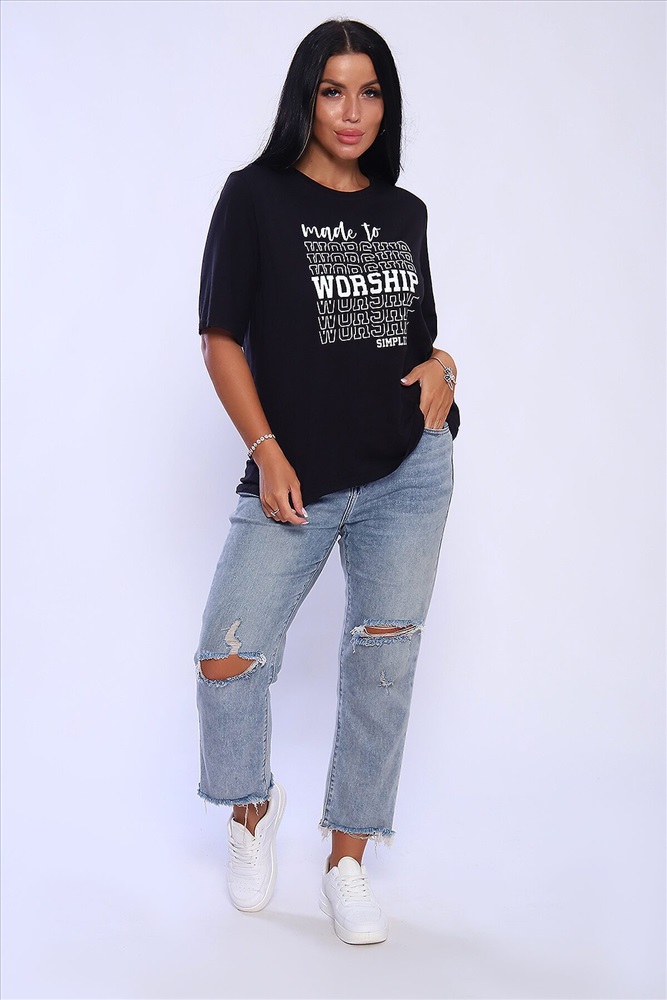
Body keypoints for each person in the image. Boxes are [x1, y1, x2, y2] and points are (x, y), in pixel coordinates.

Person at [195, 18, 460, 946]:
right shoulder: (254, 197)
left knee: (382, 667)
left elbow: (413, 337)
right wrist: (266, 448)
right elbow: (220, 338)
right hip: (295, 476)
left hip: (409, 471)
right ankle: (249, 809)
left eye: (370, 92)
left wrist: (448, 367)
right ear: (304, 98)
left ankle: (347, 860)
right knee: (227, 659)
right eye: (333, 90)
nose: (352, 112)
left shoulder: (402, 211)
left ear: (386, 105)